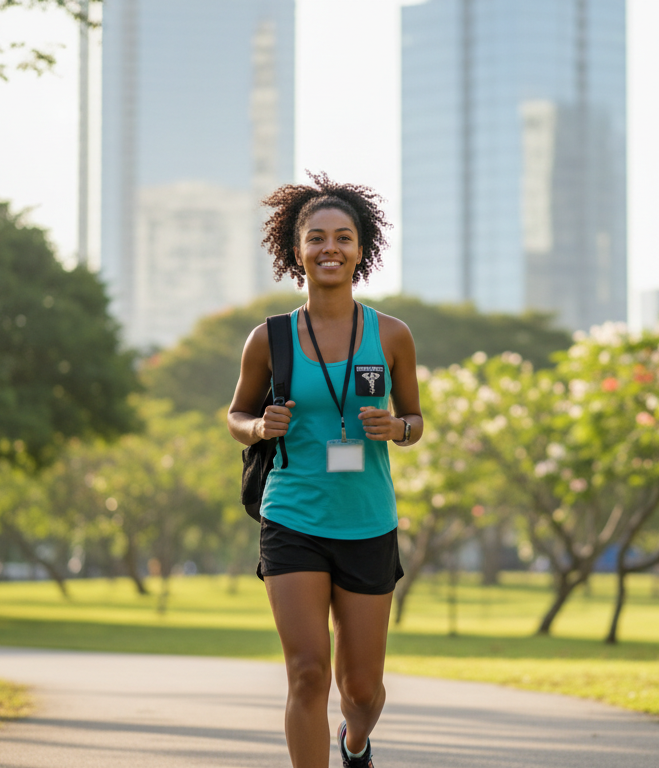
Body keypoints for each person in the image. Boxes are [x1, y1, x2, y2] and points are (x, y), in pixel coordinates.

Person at [228, 172, 423, 768]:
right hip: (292, 516)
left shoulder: (392, 336)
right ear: (296, 250)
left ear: (363, 250)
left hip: (367, 520)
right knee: (307, 674)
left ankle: (355, 742)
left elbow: (415, 419)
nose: (329, 248)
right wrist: (259, 427)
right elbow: (237, 412)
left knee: (361, 690)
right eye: (316, 238)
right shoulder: (270, 339)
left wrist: (399, 429)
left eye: (343, 237)